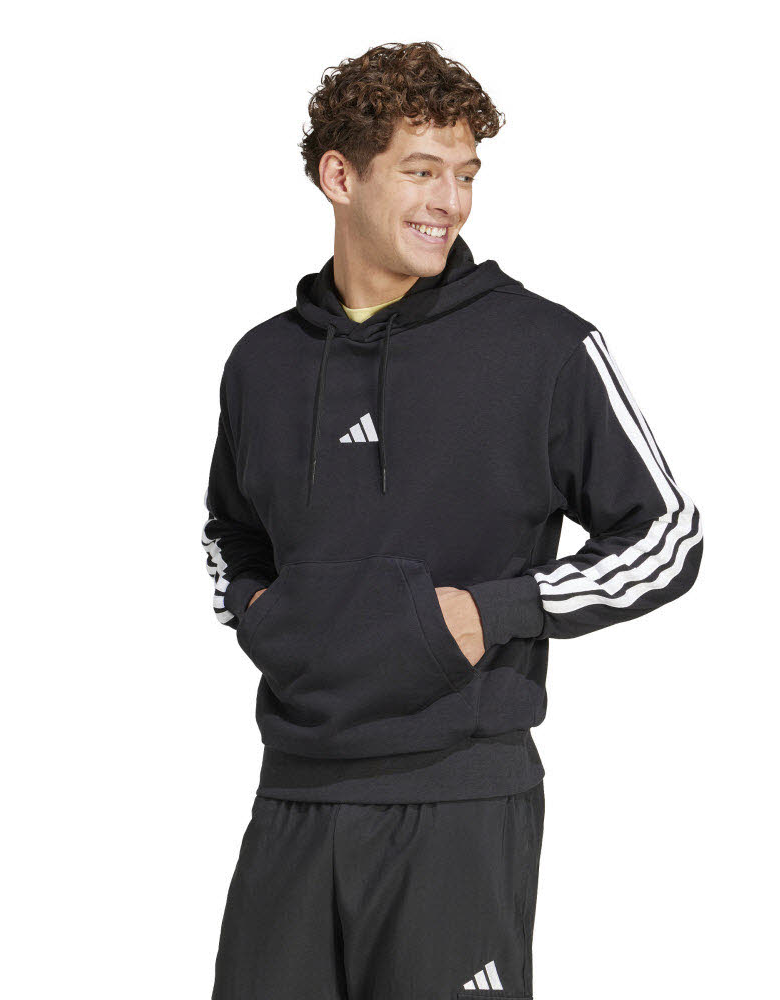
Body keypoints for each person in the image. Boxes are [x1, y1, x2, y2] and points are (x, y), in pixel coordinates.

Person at [201, 40, 703, 1000]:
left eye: (465, 175)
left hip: (459, 801)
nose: (451, 202)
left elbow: (666, 535)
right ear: (339, 177)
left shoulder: (540, 347)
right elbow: (230, 530)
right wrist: (262, 612)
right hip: (294, 791)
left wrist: (489, 612)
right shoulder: (262, 363)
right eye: (421, 171)